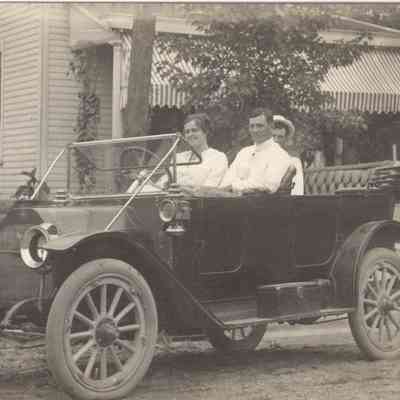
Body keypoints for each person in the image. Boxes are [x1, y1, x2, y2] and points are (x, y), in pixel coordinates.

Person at [220, 107, 293, 194]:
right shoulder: (244, 152)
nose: (255, 130)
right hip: (231, 201)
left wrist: (233, 186)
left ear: (271, 127)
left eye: (260, 126)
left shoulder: (280, 155)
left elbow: (267, 186)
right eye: (252, 126)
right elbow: (225, 182)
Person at [160, 113, 228, 188]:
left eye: (194, 130)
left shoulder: (218, 158)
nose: (190, 134)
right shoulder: (178, 157)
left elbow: (210, 188)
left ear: (206, 132)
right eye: (187, 132)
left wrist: (183, 188)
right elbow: (164, 181)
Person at [272, 115, 304, 195]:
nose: (276, 140)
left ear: (285, 139)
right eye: (273, 136)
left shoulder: (293, 162)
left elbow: (297, 191)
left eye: (280, 137)